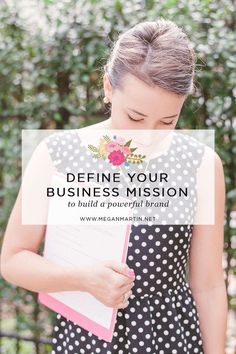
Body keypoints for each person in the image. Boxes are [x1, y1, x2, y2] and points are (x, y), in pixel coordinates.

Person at [0, 19, 228, 354]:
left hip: (170, 341)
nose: (147, 137)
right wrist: (82, 279)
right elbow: (13, 260)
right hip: (85, 341)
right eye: (135, 117)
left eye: (168, 121)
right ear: (108, 88)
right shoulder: (58, 156)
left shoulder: (202, 164)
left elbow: (208, 286)